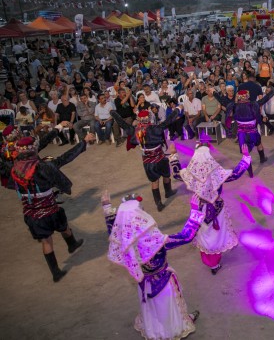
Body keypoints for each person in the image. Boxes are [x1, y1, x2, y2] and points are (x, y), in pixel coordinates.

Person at [101, 191, 205, 340]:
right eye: (141, 210)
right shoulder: (154, 241)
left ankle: (155, 333)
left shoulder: (123, 239)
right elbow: (186, 236)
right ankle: (173, 331)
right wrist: (195, 212)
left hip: (144, 283)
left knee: (152, 310)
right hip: (163, 283)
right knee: (167, 310)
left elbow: (113, 229)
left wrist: (107, 207)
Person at [1, 133, 95, 282]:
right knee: (62, 225)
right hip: (50, 208)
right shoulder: (44, 167)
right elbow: (65, 158)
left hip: (32, 214)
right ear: (34, 150)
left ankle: (57, 271)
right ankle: (72, 244)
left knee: (47, 241)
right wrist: (83, 143)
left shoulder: (13, 171)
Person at [180, 143, 251, 275]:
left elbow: (176, 173)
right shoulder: (216, 172)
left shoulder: (189, 173)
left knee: (204, 234)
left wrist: (172, 156)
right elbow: (235, 174)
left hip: (199, 209)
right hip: (217, 208)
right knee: (219, 232)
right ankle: (215, 261)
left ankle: (212, 262)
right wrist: (245, 158)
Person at [110, 106, 180, 212]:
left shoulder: (134, 130)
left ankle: (160, 203)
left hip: (148, 162)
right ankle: (166, 193)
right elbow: (168, 121)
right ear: (150, 117)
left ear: (139, 119)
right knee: (166, 176)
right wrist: (177, 110)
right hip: (160, 158)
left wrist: (113, 112)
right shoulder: (156, 128)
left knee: (155, 181)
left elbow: (122, 123)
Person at [217, 89, 274, 177]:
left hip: (241, 133)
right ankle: (262, 159)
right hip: (253, 131)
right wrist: (273, 91)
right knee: (259, 143)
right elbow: (265, 99)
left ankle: (251, 173)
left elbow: (221, 100)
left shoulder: (234, 106)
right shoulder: (253, 104)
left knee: (245, 153)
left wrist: (214, 92)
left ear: (238, 97)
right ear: (247, 96)